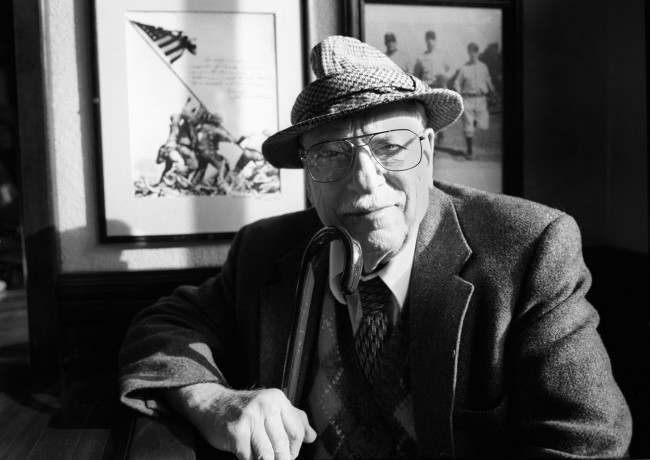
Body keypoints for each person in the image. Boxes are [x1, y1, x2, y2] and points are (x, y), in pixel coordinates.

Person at [119, 36, 632, 460]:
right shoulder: (265, 249)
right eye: (331, 154)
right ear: (308, 177)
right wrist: (215, 402)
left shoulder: (528, 249)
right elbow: (162, 329)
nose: (366, 182)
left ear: (428, 150)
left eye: (391, 146)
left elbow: (588, 444)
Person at [454, 42, 495, 159]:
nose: (473, 54)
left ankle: (472, 126)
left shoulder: (484, 67)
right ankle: (470, 151)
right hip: (468, 99)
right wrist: (459, 92)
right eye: (471, 52)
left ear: (478, 53)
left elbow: (488, 80)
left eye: (475, 52)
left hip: (481, 99)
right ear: (468, 53)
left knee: (483, 124)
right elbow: (457, 82)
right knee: (468, 126)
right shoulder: (464, 68)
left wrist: (493, 91)